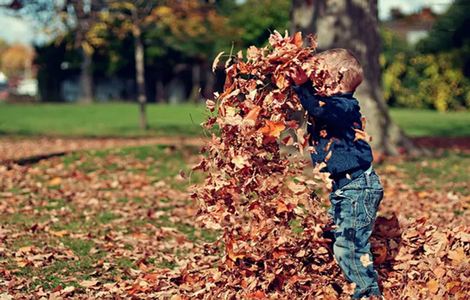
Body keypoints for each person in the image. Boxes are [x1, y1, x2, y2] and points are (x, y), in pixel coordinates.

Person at [292, 48, 384, 299]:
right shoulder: (333, 105)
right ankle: (341, 278)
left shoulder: (344, 106)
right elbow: (315, 107)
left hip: (357, 188)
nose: (314, 82)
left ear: (335, 79)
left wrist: (303, 87)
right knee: (334, 234)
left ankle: (368, 294)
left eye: (319, 77)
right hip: (346, 188)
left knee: (350, 248)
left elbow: (319, 109)